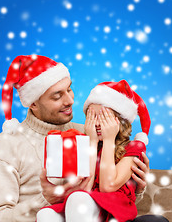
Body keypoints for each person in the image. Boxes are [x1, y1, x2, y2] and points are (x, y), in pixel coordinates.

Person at [0, 55, 167, 222]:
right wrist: (45, 200)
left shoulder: (90, 132)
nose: (70, 100)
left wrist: (135, 184)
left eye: (69, 89)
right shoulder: (6, 145)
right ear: (33, 104)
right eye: (57, 96)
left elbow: (108, 191)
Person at [36, 80, 154, 222]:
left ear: (120, 121)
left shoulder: (134, 147)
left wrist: (109, 140)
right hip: (87, 205)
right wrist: (92, 141)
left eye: (104, 117)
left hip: (113, 208)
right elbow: (85, 188)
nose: (97, 123)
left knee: (78, 198)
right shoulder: (85, 145)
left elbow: (108, 186)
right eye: (91, 117)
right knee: (45, 214)